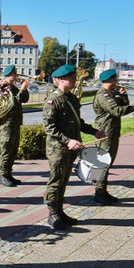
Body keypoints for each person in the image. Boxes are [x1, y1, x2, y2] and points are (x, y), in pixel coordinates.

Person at [43, 65, 105, 230]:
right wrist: (67, 140)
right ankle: (52, 214)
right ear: (62, 79)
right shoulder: (53, 100)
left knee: (63, 180)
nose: (75, 80)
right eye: (72, 77)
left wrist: (94, 132)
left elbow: (78, 123)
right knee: (56, 180)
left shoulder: (71, 99)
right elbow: (49, 127)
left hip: (70, 149)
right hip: (58, 149)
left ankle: (59, 210)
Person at [91, 69, 134, 204]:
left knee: (108, 162)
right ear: (111, 80)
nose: (117, 82)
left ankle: (103, 191)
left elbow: (123, 106)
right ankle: (98, 192)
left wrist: (123, 96)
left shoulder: (111, 93)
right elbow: (117, 111)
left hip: (112, 131)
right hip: (105, 132)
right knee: (102, 163)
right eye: (115, 79)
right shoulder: (103, 95)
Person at [0, 65, 30, 187]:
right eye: (15, 73)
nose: (17, 75)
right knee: (6, 150)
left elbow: (24, 100)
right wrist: (22, 90)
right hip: (7, 124)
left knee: (13, 150)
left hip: (15, 123)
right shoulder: (3, 87)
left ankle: (8, 173)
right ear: (9, 74)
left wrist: (24, 89)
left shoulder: (13, 87)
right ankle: (2, 175)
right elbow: (13, 102)